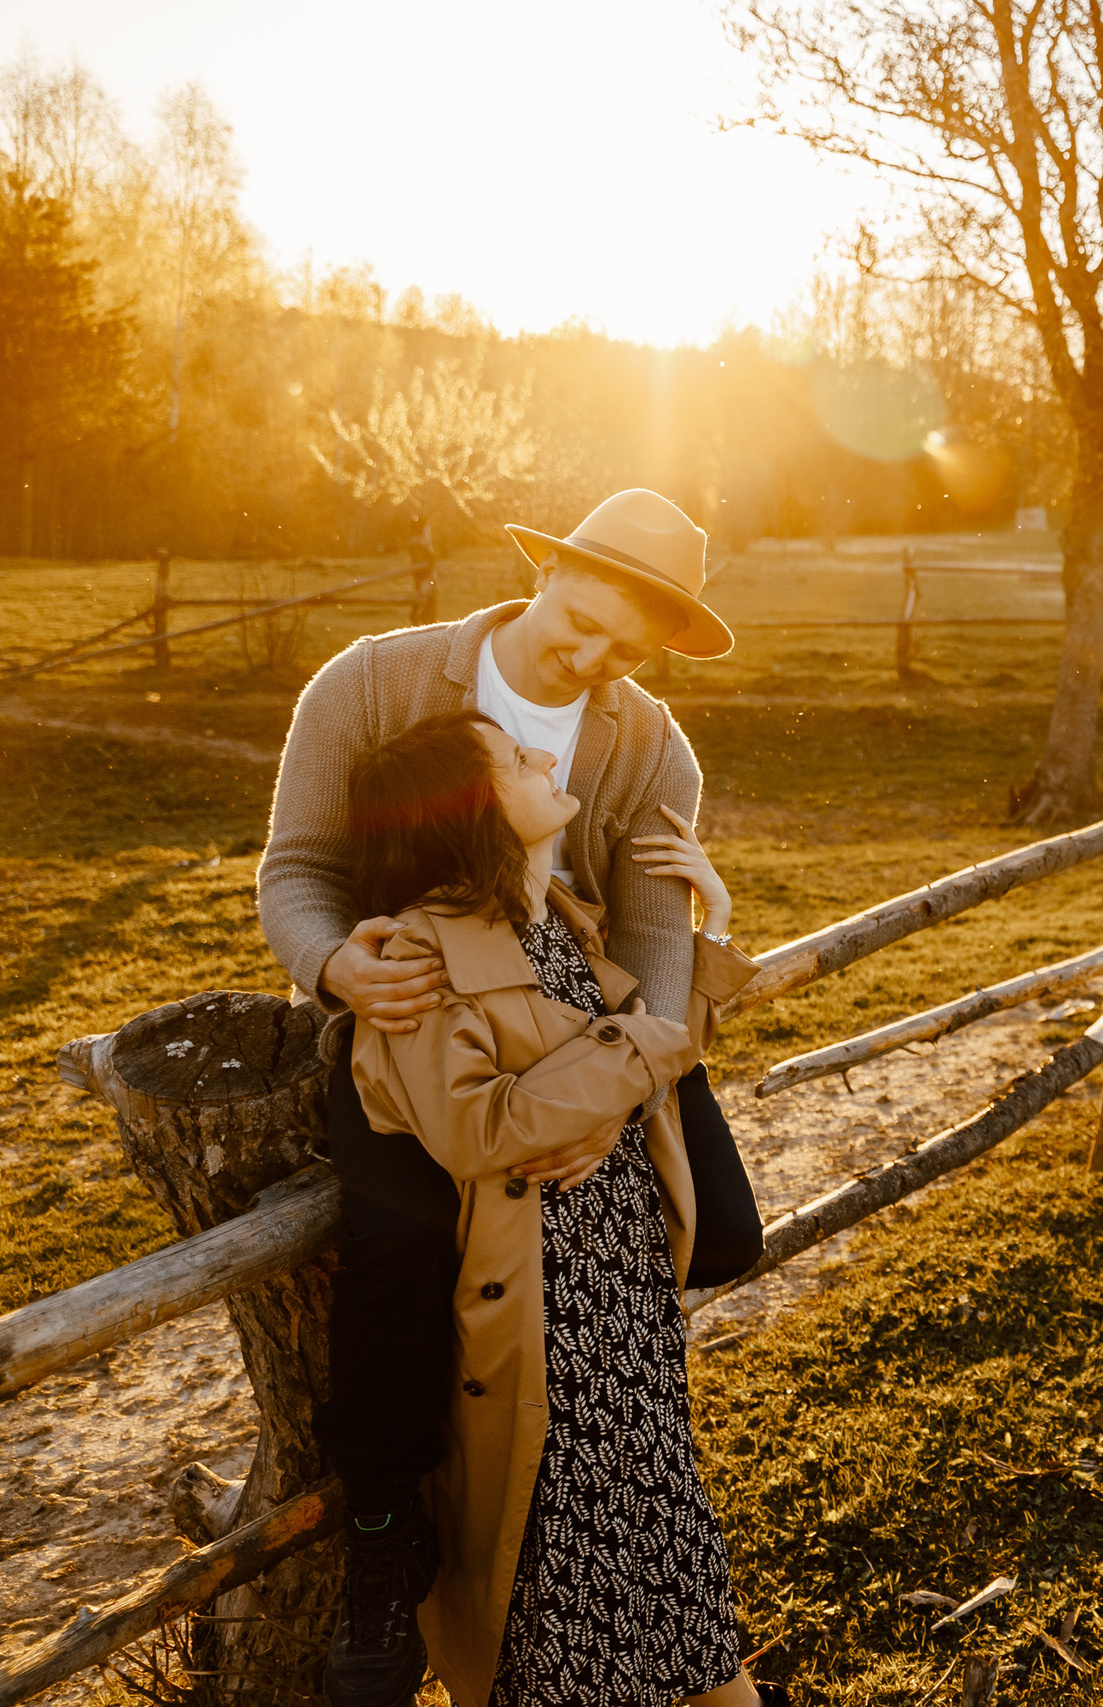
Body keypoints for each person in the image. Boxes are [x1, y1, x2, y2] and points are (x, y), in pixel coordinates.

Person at [254, 490, 764, 1706]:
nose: (587, 661)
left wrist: (610, 1102)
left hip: (579, 1016)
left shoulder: (647, 748)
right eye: (579, 624)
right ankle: (388, 1526)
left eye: (621, 651)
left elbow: (652, 937)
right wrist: (337, 964)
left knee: (722, 1230)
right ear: (544, 574)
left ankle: (597, 1476)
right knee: (401, 1240)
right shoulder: (371, 683)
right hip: (420, 1009)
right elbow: (297, 868)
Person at [341, 707, 769, 1707]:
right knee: (575, 1650)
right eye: (511, 756)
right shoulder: (419, 952)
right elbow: (484, 1131)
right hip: (554, 1347)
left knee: (689, 1615)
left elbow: (637, 1059)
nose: (543, 755)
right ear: (469, 808)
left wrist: (713, 929)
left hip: (630, 1322)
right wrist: (636, 1052)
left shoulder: (563, 917)